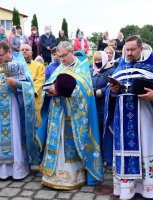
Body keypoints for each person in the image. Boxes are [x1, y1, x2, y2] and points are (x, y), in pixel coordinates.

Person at [103, 35, 153, 199]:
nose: (129, 53)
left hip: (144, 116)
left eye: (132, 50)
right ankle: (125, 189)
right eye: (127, 50)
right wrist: (112, 91)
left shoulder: (152, 67)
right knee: (124, 149)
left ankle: (148, 188)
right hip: (122, 119)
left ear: (141, 48)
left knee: (146, 147)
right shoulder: (121, 66)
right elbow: (108, 92)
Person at [37, 41, 103, 189]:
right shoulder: (60, 68)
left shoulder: (82, 69)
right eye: (59, 57)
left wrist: (63, 91)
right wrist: (48, 91)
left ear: (71, 52)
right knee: (56, 143)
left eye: (64, 56)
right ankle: (52, 175)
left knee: (70, 144)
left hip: (73, 118)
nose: (61, 59)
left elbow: (86, 92)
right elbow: (47, 85)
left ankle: (72, 177)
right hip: (57, 115)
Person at [0, 40, 36, 179]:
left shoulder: (19, 64)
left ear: (9, 51)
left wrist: (17, 83)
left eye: (1, 55)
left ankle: (17, 170)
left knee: (14, 136)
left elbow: (30, 85)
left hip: (12, 108)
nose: (0, 58)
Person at [90, 51, 114, 151]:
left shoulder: (110, 70)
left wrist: (101, 92)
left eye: (99, 60)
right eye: (95, 60)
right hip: (93, 102)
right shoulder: (91, 70)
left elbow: (111, 86)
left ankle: (105, 153)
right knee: (94, 128)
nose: (97, 62)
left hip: (104, 102)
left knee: (103, 127)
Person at [20, 44, 45, 128]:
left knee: (35, 126)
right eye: (22, 49)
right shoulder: (13, 66)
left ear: (31, 53)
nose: (24, 51)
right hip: (18, 100)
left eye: (27, 49)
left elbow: (39, 81)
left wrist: (29, 93)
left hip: (33, 99)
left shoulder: (39, 66)